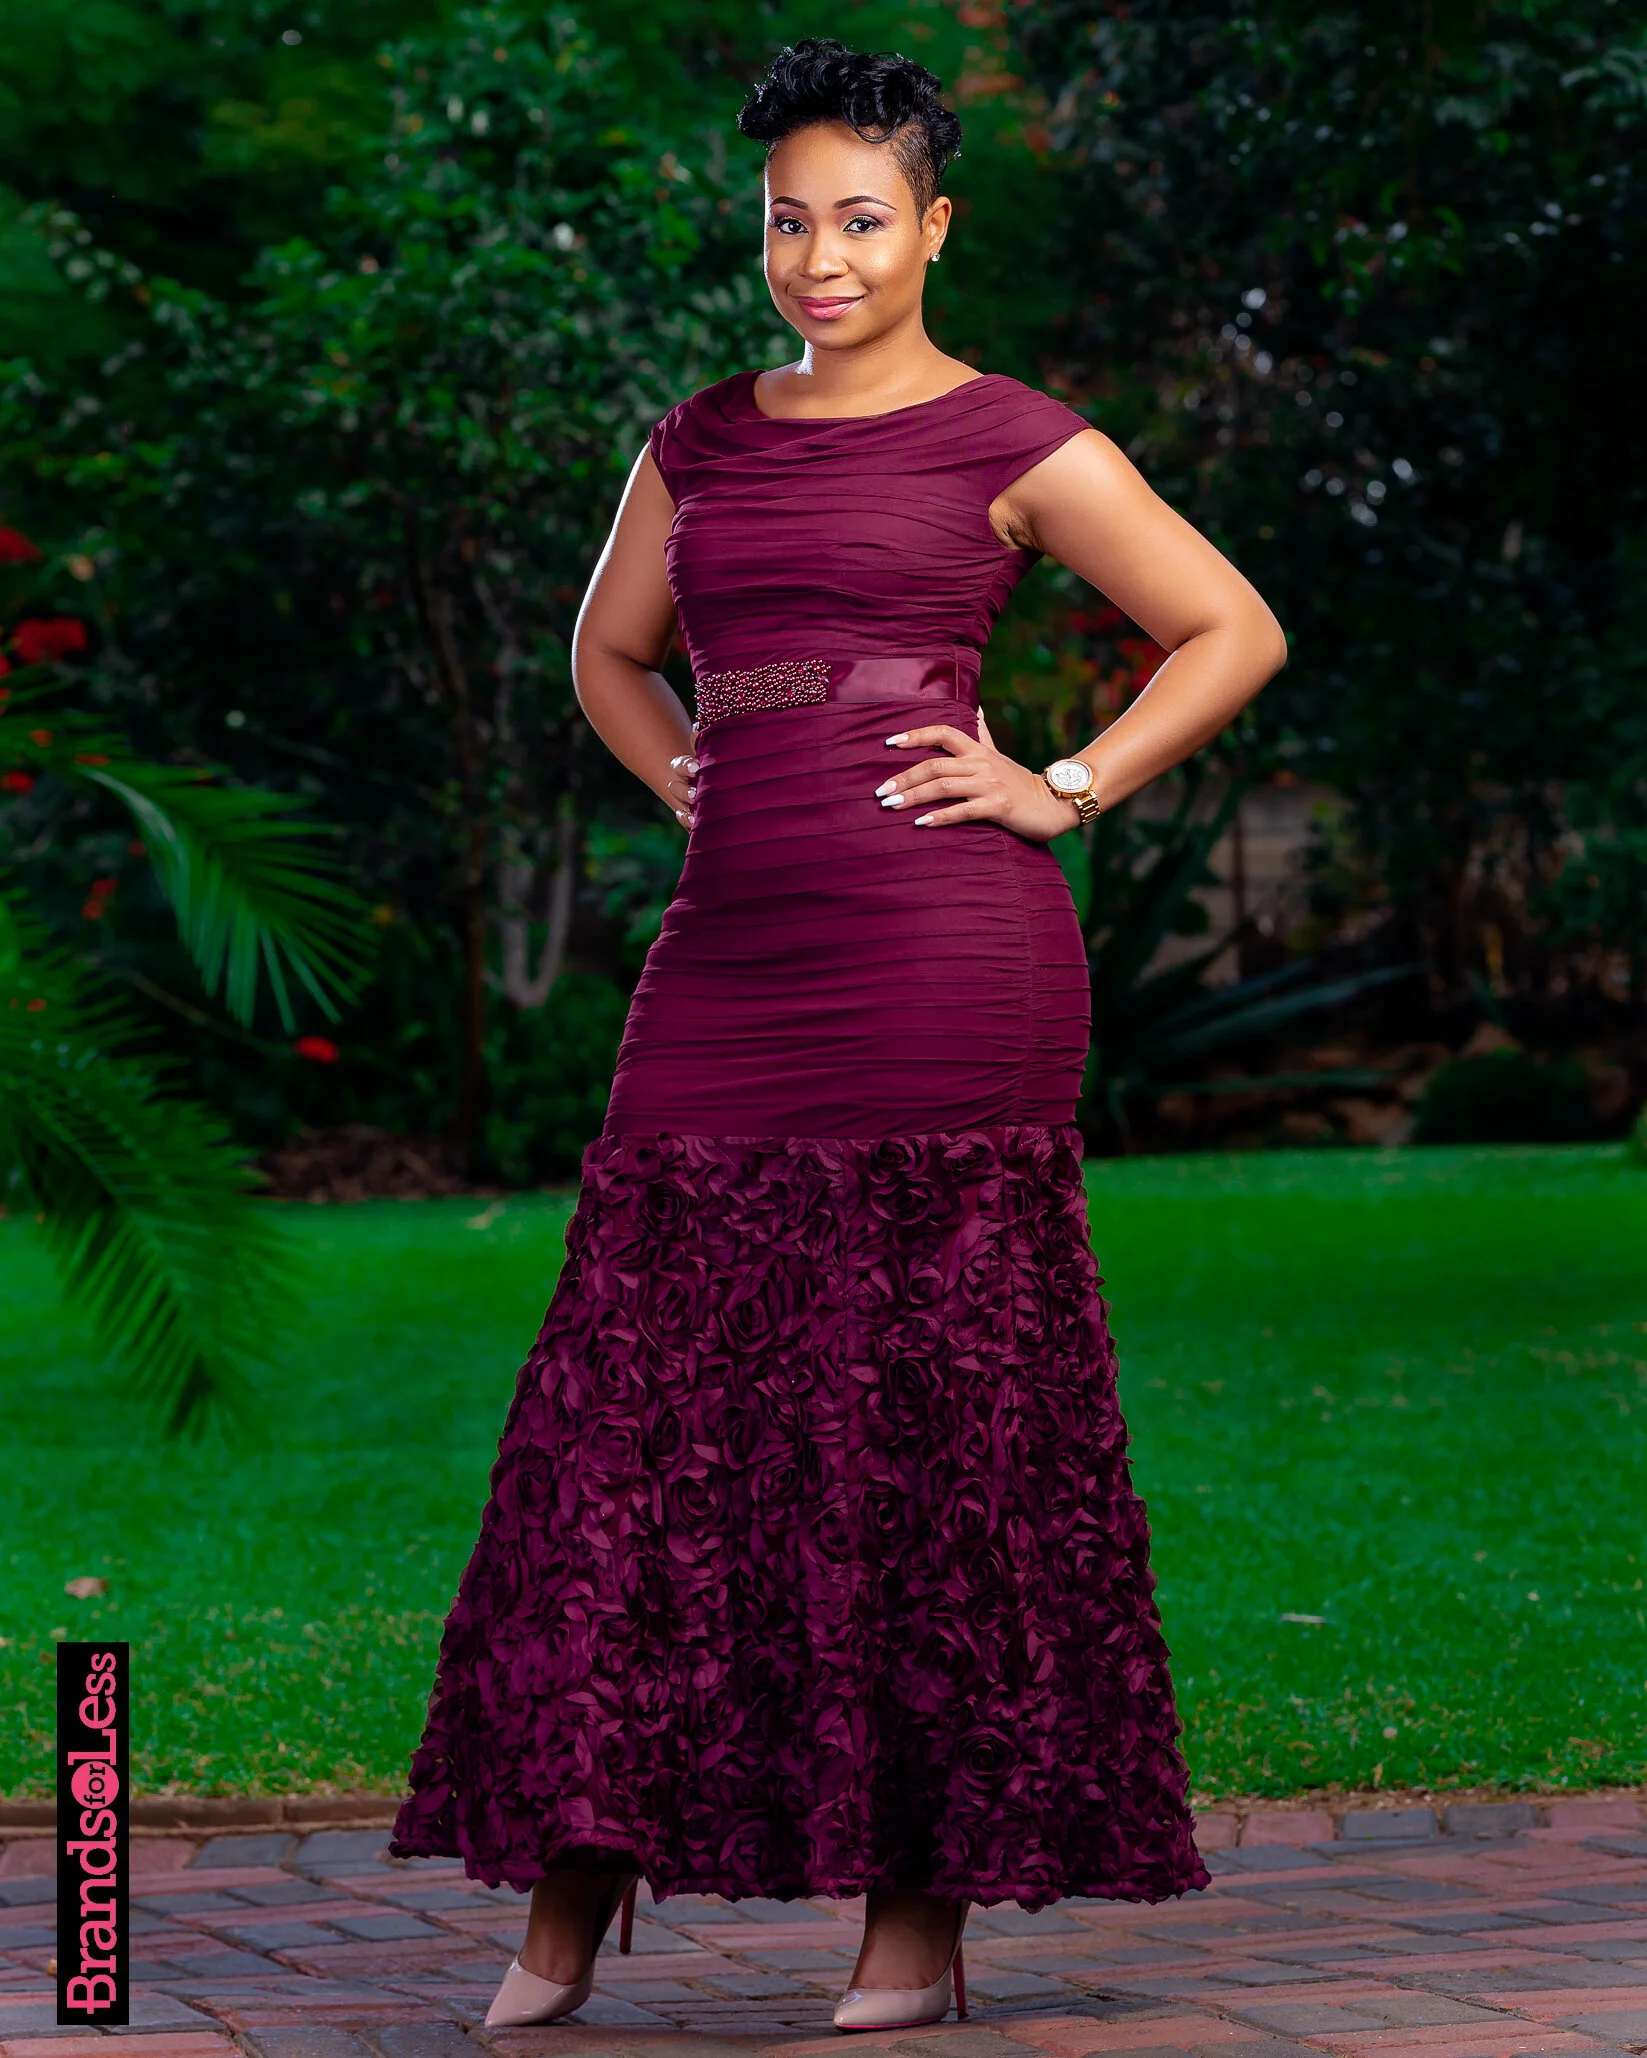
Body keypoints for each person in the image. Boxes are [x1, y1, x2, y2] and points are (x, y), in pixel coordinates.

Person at [389, 35, 1286, 2035]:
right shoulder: (696, 438)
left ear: (931, 226)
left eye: (857, 219)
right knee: (630, 1428)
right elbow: (607, 657)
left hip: (949, 970)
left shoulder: (1015, 436)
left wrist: (1059, 783)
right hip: (728, 972)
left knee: (927, 1446)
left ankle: (914, 1926)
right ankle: (566, 1899)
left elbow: (1230, 627)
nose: (816, 256)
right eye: (785, 219)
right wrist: (685, 773)